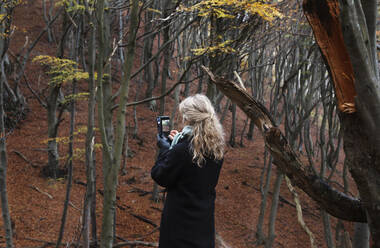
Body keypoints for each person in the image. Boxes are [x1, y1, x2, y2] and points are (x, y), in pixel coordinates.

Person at [151, 94, 225, 248]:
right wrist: (175, 145)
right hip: (203, 226)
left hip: (179, 228)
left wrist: (165, 150)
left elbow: (160, 175)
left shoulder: (181, 151)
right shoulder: (216, 150)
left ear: (188, 118)